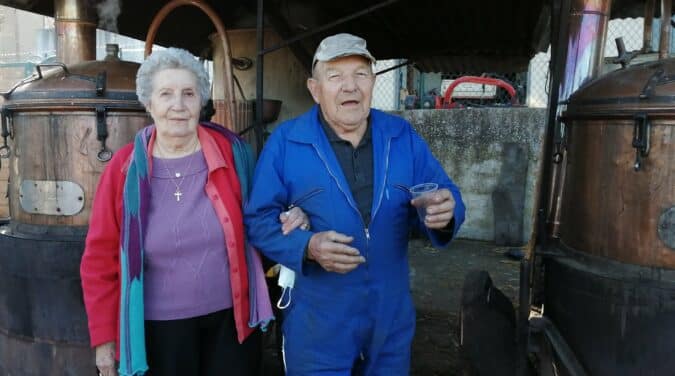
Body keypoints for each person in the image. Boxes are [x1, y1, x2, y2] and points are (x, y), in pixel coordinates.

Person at [244, 33, 466, 375]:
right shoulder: (287, 143)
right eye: (335, 76)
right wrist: (307, 245)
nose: (350, 87)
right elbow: (259, 220)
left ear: (373, 82)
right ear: (315, 89)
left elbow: (443, 193)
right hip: (319, 321)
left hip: (389, 316)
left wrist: (446, 212)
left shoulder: (400, 135)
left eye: (360, 74)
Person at [80, 47, 309, 376]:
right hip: (158, 331)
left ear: (202, 100)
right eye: (166, 94)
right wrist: (104, 341)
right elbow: (100, 259)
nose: (178, 105)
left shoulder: (233, 155)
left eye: (189, 93)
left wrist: (294, 213)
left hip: (232, 323)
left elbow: (264, 212)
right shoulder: (124, 168)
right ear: (149, 102)